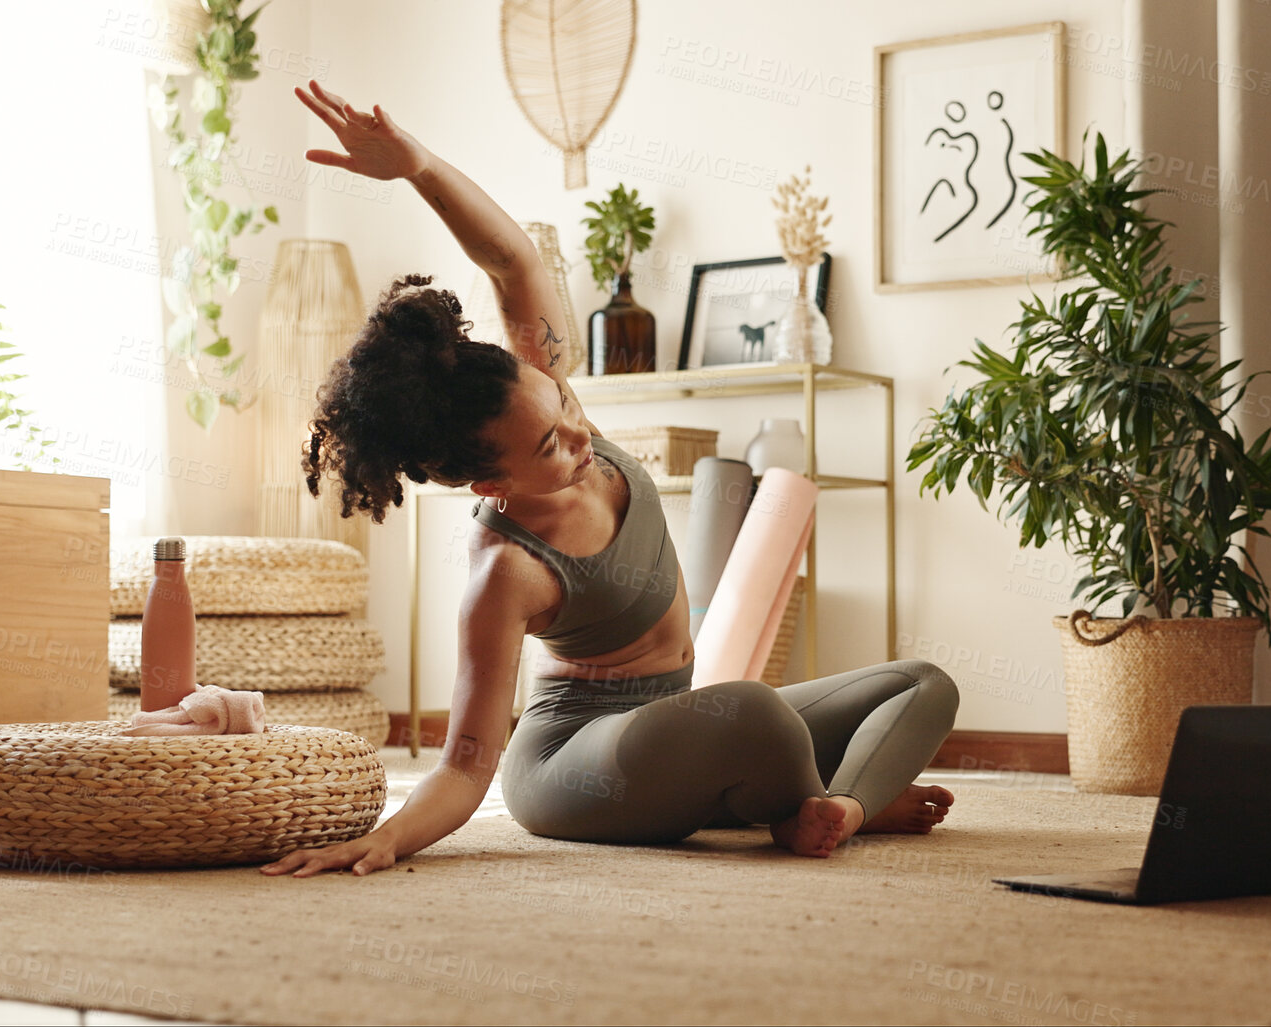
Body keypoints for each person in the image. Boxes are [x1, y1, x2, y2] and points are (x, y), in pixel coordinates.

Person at [262, 82, 959, 879]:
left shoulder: (546, 403)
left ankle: (835, 807)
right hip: (573, 769)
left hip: (678, 721)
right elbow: (462, 764)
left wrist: (418, 166)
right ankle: (804, 802)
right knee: (758, 712)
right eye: (550, 446)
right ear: (491, 486)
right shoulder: (505, 569)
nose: (580, 434)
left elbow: (512, 258)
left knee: (918, 683)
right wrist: (388, 834)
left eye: (561, 401)